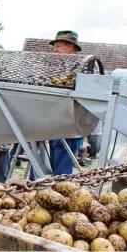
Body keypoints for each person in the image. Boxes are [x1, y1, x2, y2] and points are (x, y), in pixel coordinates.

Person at [48, 30, 83, 176]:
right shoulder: (57, 68)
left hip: (71, 125)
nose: (54, 50)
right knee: (48, 163)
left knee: (62, 172)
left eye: (58, 46)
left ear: (70, 46)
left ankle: (60, 194)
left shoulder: (82, 68)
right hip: (53, 122)